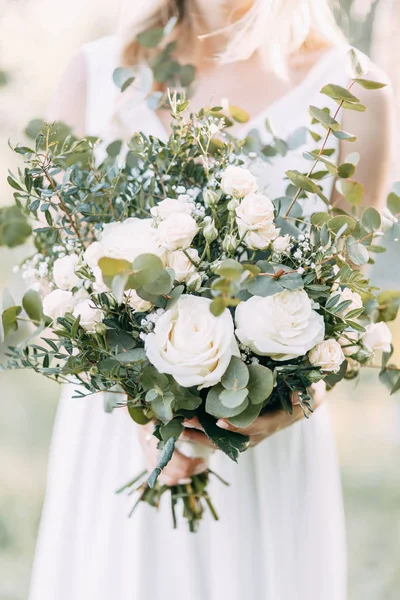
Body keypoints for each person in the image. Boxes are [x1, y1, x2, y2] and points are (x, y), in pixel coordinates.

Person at [29, 1, 393, 599]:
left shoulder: (357, 89)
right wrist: (140, 409)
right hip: (117, 441)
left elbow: (343, 314)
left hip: (256, 452)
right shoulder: (94, 74)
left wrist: (285, 405)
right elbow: (60, 280)